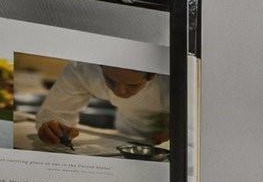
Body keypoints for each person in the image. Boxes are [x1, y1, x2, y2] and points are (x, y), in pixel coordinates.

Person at [32, 62, 167, 147]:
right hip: (126, 131)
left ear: (155, 75)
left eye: (133, 85)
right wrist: (52, 127)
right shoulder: (83, 70)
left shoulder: (174, 80)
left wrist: (184, 133)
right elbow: (55, 114)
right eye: (110, 80)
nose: (119, 91)